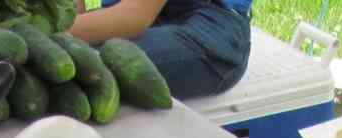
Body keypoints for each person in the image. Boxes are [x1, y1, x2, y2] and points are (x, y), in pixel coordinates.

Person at [69, 0, 252, 100]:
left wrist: (49, 33)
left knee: (79, 70)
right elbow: (69, 15)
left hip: (209, 27)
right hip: (129, 9)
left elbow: (132, 18)